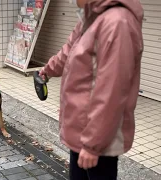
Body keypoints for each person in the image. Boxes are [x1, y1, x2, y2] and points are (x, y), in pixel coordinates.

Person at [39, 0, 144, 179]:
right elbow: (68, 51)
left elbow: (112, 92)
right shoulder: (91, 15)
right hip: (82, 129)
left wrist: (93, 145)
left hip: (98, 137)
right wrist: (47, 71)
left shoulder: (118, 22)